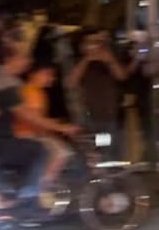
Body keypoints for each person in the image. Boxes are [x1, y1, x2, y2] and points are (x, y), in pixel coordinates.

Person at [13, 64, 78, 192]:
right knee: (62, 152)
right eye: (47, 74)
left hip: (32, 133)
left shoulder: (36, 92)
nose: (52, 78)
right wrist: (61, 128)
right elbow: (36, 121)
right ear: (33, 74)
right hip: (27, 134)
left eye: (52, 75)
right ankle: (42, 189)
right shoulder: (31, 92)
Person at [68, 31, 126, 145]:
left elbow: (122, 76)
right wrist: (87, 59)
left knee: (107, 149)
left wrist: (110, 61)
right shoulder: (79, 60)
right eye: (90, 42)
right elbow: (71, 82)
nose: (94, 46)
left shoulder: (110, 58)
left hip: (109, 115)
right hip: (88, 115)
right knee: (92, 151)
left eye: (98, 42)